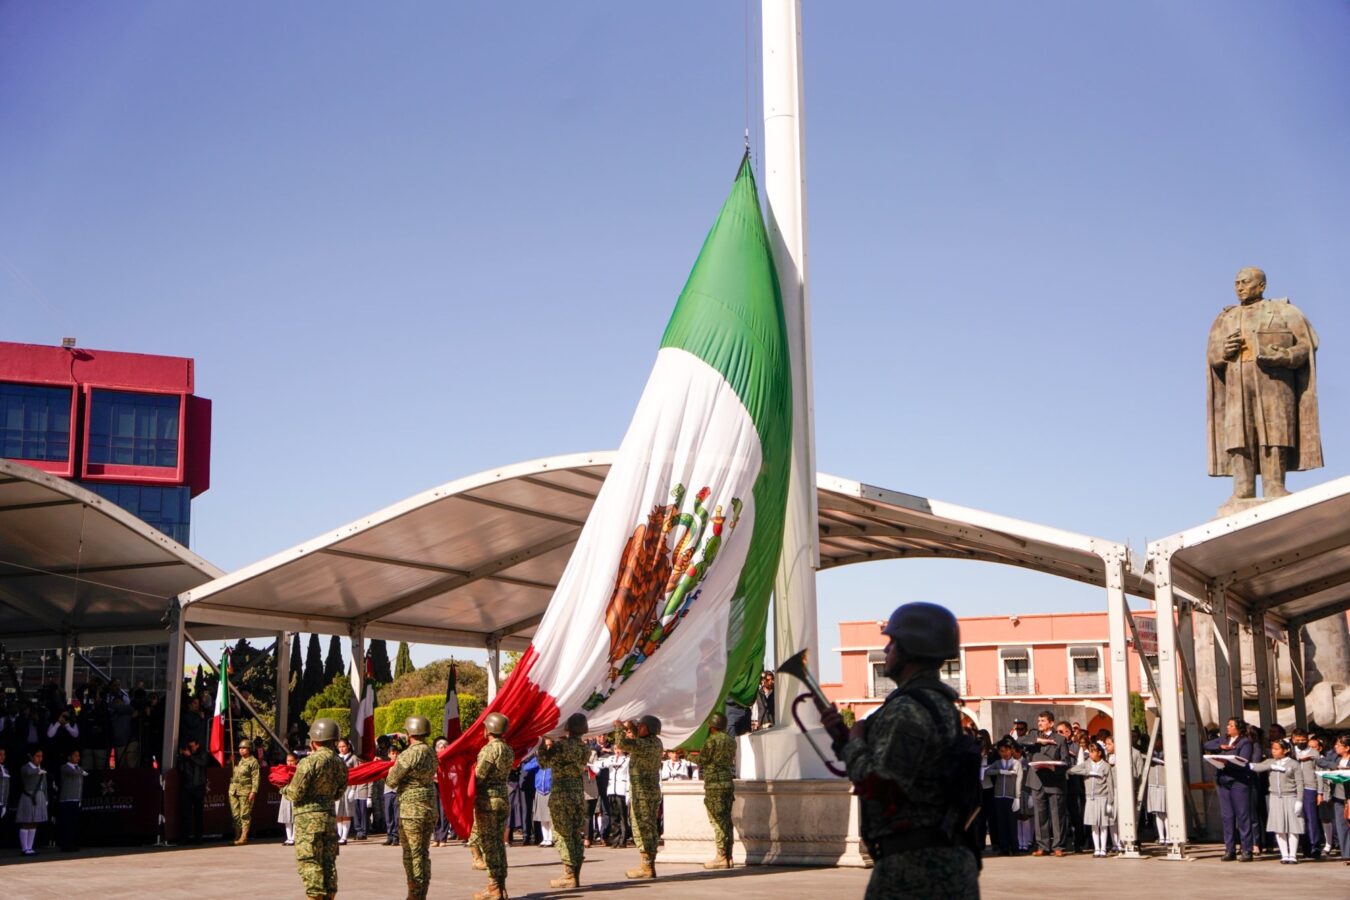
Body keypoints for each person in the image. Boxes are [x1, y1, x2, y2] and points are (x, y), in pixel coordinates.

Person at [820, 602, 980, 899]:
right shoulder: (936, 703)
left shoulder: (907, 710)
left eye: (892, 643)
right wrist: (845, 741)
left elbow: (882, 783)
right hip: (940, 860)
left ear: (910, 649)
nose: (886, 651)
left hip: (915, 869)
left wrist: (854, 742)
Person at [1207, 266, 1322, 503]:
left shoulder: (1284, 311)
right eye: (1237, 283)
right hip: (1237, 380)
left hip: (1273, 381)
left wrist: (1285, 356)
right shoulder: (1225, 318)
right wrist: (1223, 352)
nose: (1240, 287)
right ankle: (1242, 490)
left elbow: (1306, 345)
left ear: (1262, 286)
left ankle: (1275, 486)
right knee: (1239, 435)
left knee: (1275, 431)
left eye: (1245, 282)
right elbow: (1212, 355)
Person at [285, 718, 349, 900]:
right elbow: (339, 792)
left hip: (308, 820)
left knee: (310, 861)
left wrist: (284, 788)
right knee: (328, 862)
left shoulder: (308, 762)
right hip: (329, 818)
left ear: (313, 741)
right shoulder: (340, 763)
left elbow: (295, 793)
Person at [386, 715, 438, 900]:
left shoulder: (409, 754)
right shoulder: (431, 751)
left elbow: (392, 781)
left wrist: (392, 768)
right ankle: (421, 893)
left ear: (410, 734)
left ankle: (414, 894)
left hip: (411, 810)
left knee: (412, 854)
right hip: (429, 806)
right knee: (423, 853)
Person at [537, 713, 590, 889]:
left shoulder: (560, 747)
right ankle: (575, 874)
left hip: (561, 794)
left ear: (568, 728)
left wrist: (543, 744)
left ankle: (568, 875)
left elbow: (544, 763)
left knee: (562, 835)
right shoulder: (585, 748)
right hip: (577, 794)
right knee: (575, 835)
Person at [616, 715, 664, 880]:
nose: (639, 728)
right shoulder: (655, 743)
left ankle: (647, 866)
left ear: (649, 729)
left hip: (642, 793)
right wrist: (633, 727)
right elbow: (639, 738)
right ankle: (648, 864)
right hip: (649, 791)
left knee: (642, 828)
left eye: (642, 726)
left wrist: (619, 728)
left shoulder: (644, 744)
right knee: (649, 827)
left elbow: (622, 744)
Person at [472, 711, 514, 900]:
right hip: (502, 798)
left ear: (489, 728)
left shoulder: (490, 749)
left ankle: (494, 888)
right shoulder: (507, 749)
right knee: (498, 844)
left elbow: (480, 776)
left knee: (489, 845)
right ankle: (501, 887)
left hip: (488, 800)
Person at [1204, 717, 1257, 861]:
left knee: (1242, 816)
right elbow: (1206, 744)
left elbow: (1243, 760)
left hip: (1238, 781)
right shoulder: (1223, 740)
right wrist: (1220, 748)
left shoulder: (1245, 742)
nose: (1228, 727)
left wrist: (1226, 761)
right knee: (1227, 817)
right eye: (1227, 725)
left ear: (1238, 728)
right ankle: (1230, 849)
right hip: (1223, 781)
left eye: (1231, 725)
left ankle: (1247, 849)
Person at [1018, 711, 1069, 856]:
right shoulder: (1034, 736)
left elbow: (1067, 761)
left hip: (1054, 781)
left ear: (1051, 723)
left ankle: (1058, 846)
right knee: (1040, 814)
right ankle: (1042, 846)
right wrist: (1038, 741)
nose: (1040, 723)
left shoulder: (1060, 739)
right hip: (1037, 781)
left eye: (1043, 720)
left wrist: (1055, 767)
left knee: (1057, 815)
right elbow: (1018, 741)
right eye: (1039, 720)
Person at [1249, 737, 1306, 863]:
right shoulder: (1270, 761)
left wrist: (1299, 800)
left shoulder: (1293, 764)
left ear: (1285, 750)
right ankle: (1284, 854)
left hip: (1290, 796)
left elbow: (1300, 783)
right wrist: (1270, 766)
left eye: (1276, 749)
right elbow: (1256, 767)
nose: (1273, 751)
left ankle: (1293, 855)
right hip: (1275, 797)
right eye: (1272, 749)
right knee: (1279, 827)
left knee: (1293, 827)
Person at [700, 710, 737, 869]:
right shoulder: (731, 741)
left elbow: (702, 759)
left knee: (717, 821)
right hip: (727, 784)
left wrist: (686, 755)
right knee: (727, 821)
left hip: (714, 786)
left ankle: (721, 856)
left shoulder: (711, 741)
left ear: (712, 725)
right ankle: (728, 856)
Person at [1067, 742, 1114, 858]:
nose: (1091, 754)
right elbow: (1072, 770)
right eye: (1090, 752)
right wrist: (1087, 772)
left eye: (1093, 752)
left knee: (1103, 825)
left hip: (1102, 797)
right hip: (1090, 798)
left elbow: (1110, 785)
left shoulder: (1106, 766)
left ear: (1099, 753)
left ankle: (1103, 848)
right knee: (1093, 825)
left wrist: (1110, 801)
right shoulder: (1087, 764)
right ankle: (1096, 848)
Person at [989, 738, 1023, 855]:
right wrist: (1000, 771)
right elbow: (987, 771)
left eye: (1006, 750)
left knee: (1012, 824)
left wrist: (1017, 797)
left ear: (1011, 750)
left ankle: (1015, 848)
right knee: (1001, 823)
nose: (1004, 753)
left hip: (1011, 797)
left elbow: (1019, 781)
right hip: (998, 796)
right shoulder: (998, 763)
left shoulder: (1016, 763)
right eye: (1001, 751)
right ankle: (1004, 848)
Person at [229, 737, 260, 845]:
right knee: (235, 814)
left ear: (249, 749)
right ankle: (237, 835)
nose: (241, 750)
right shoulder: (239, 760)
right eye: (240, 748)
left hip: (246, 790)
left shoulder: (253, 761)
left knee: (244, 814)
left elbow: (256, 778)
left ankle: (244, 836)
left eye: (244, 748)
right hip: (234, 790)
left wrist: (253, 791)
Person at [17, 747, 48, 855]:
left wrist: (46, 799)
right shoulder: (25, 768)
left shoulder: (41, 769)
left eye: (41, 756)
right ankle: (24, 848)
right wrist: (38, 770)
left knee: (34, 822)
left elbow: (44, 786)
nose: (40, 758)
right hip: (28, 796)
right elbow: (28, 773)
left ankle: (30, 847)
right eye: (37, 756)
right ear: (31, 757)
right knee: (26, 821)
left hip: (39, 796)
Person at [177, 738, 208, 844]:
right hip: (187, 786)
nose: (191, 748)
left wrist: (190, 756)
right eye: (189, 746)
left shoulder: (202, 753)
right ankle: (184, 837)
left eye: (192, 746)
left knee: (198, 813)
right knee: (185, 813)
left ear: (197, 745)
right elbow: (181, 768)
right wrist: (182, 756)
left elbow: (202, 763)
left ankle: (198, 837)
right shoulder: (185, 756)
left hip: (198, 786)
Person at [55, 748, 86, 851]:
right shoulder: (65, 767)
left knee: (74, 823)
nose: (78, 758)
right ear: (69, 757)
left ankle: (72, 843)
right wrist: (81, 771)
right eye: (75, 756)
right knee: (66, 823)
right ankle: (65, 844)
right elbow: (73, 773)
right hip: (67, 799)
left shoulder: (79, 768)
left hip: (76, 799)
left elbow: (80, 782)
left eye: (78, 756)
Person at [278, 751, 299, 845]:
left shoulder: (299, 769)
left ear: (296, 761)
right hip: (286, 794)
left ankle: (294, 837)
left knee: (295, 817)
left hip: (295, 794)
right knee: (286, 816)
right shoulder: (284, 769)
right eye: (288, 760)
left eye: (292, 761)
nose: (289, 762)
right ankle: (289, 837)